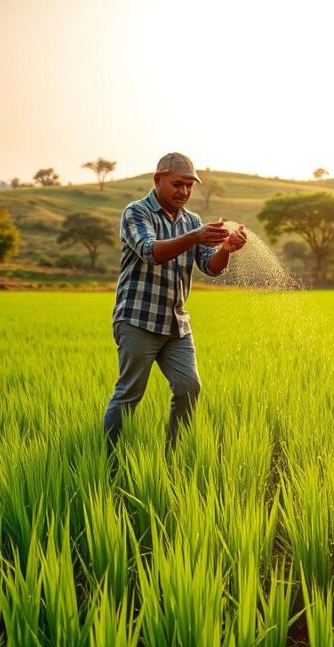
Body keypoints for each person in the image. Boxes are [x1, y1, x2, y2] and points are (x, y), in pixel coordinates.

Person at [103, 152, 248, 453]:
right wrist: (195, 236)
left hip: (175, 323)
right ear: (158, 180)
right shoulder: (137, 212)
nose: (184, 191)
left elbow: (210, 266)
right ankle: (108, 456)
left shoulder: (192, 220)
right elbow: (150, 251)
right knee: (129, 394)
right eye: (177, 184)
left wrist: (226, 250)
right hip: (138, 319)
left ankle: (173, 455)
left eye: (189, 186)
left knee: (189, 387)